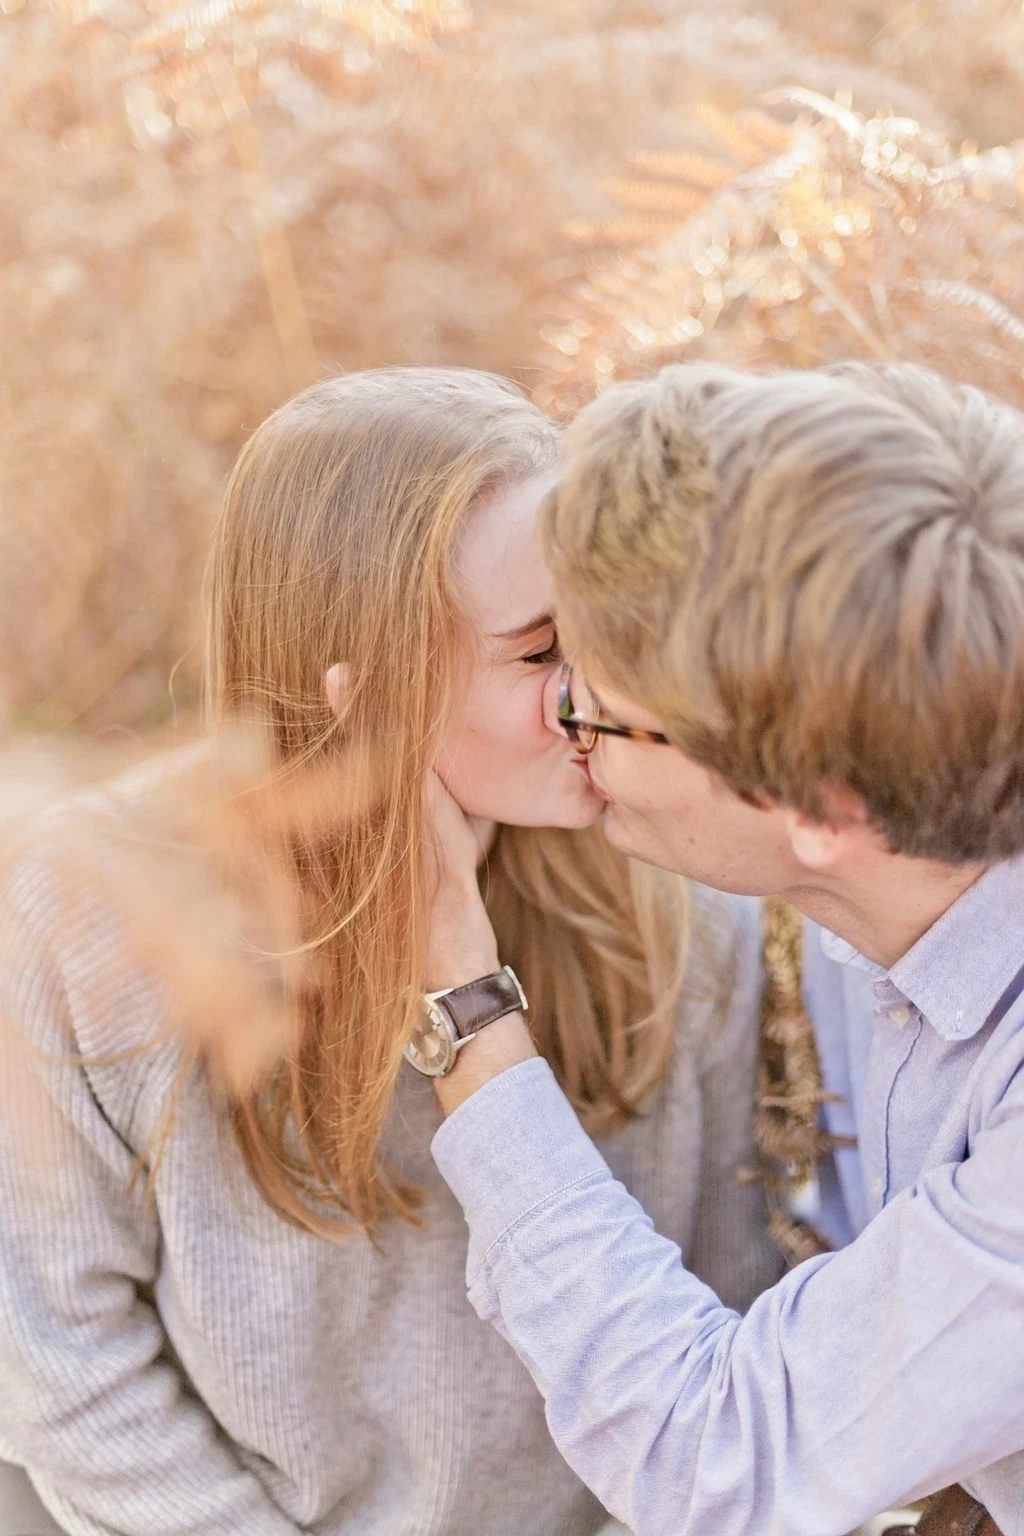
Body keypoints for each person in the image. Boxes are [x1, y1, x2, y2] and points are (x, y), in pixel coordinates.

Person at [0, 367, 780, 1536]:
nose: (604, 694)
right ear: (365, 695)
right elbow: (61, 1362)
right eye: (537, 654)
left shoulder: (685, 895)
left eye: (608, 632)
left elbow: (727, 1333)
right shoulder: (91, 912)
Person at [425, 361, 1024, 1536]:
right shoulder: (908, 903)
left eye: (602, 704)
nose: (569, 725)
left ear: (821, 808)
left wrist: (461, 1009)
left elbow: (725, 1459)